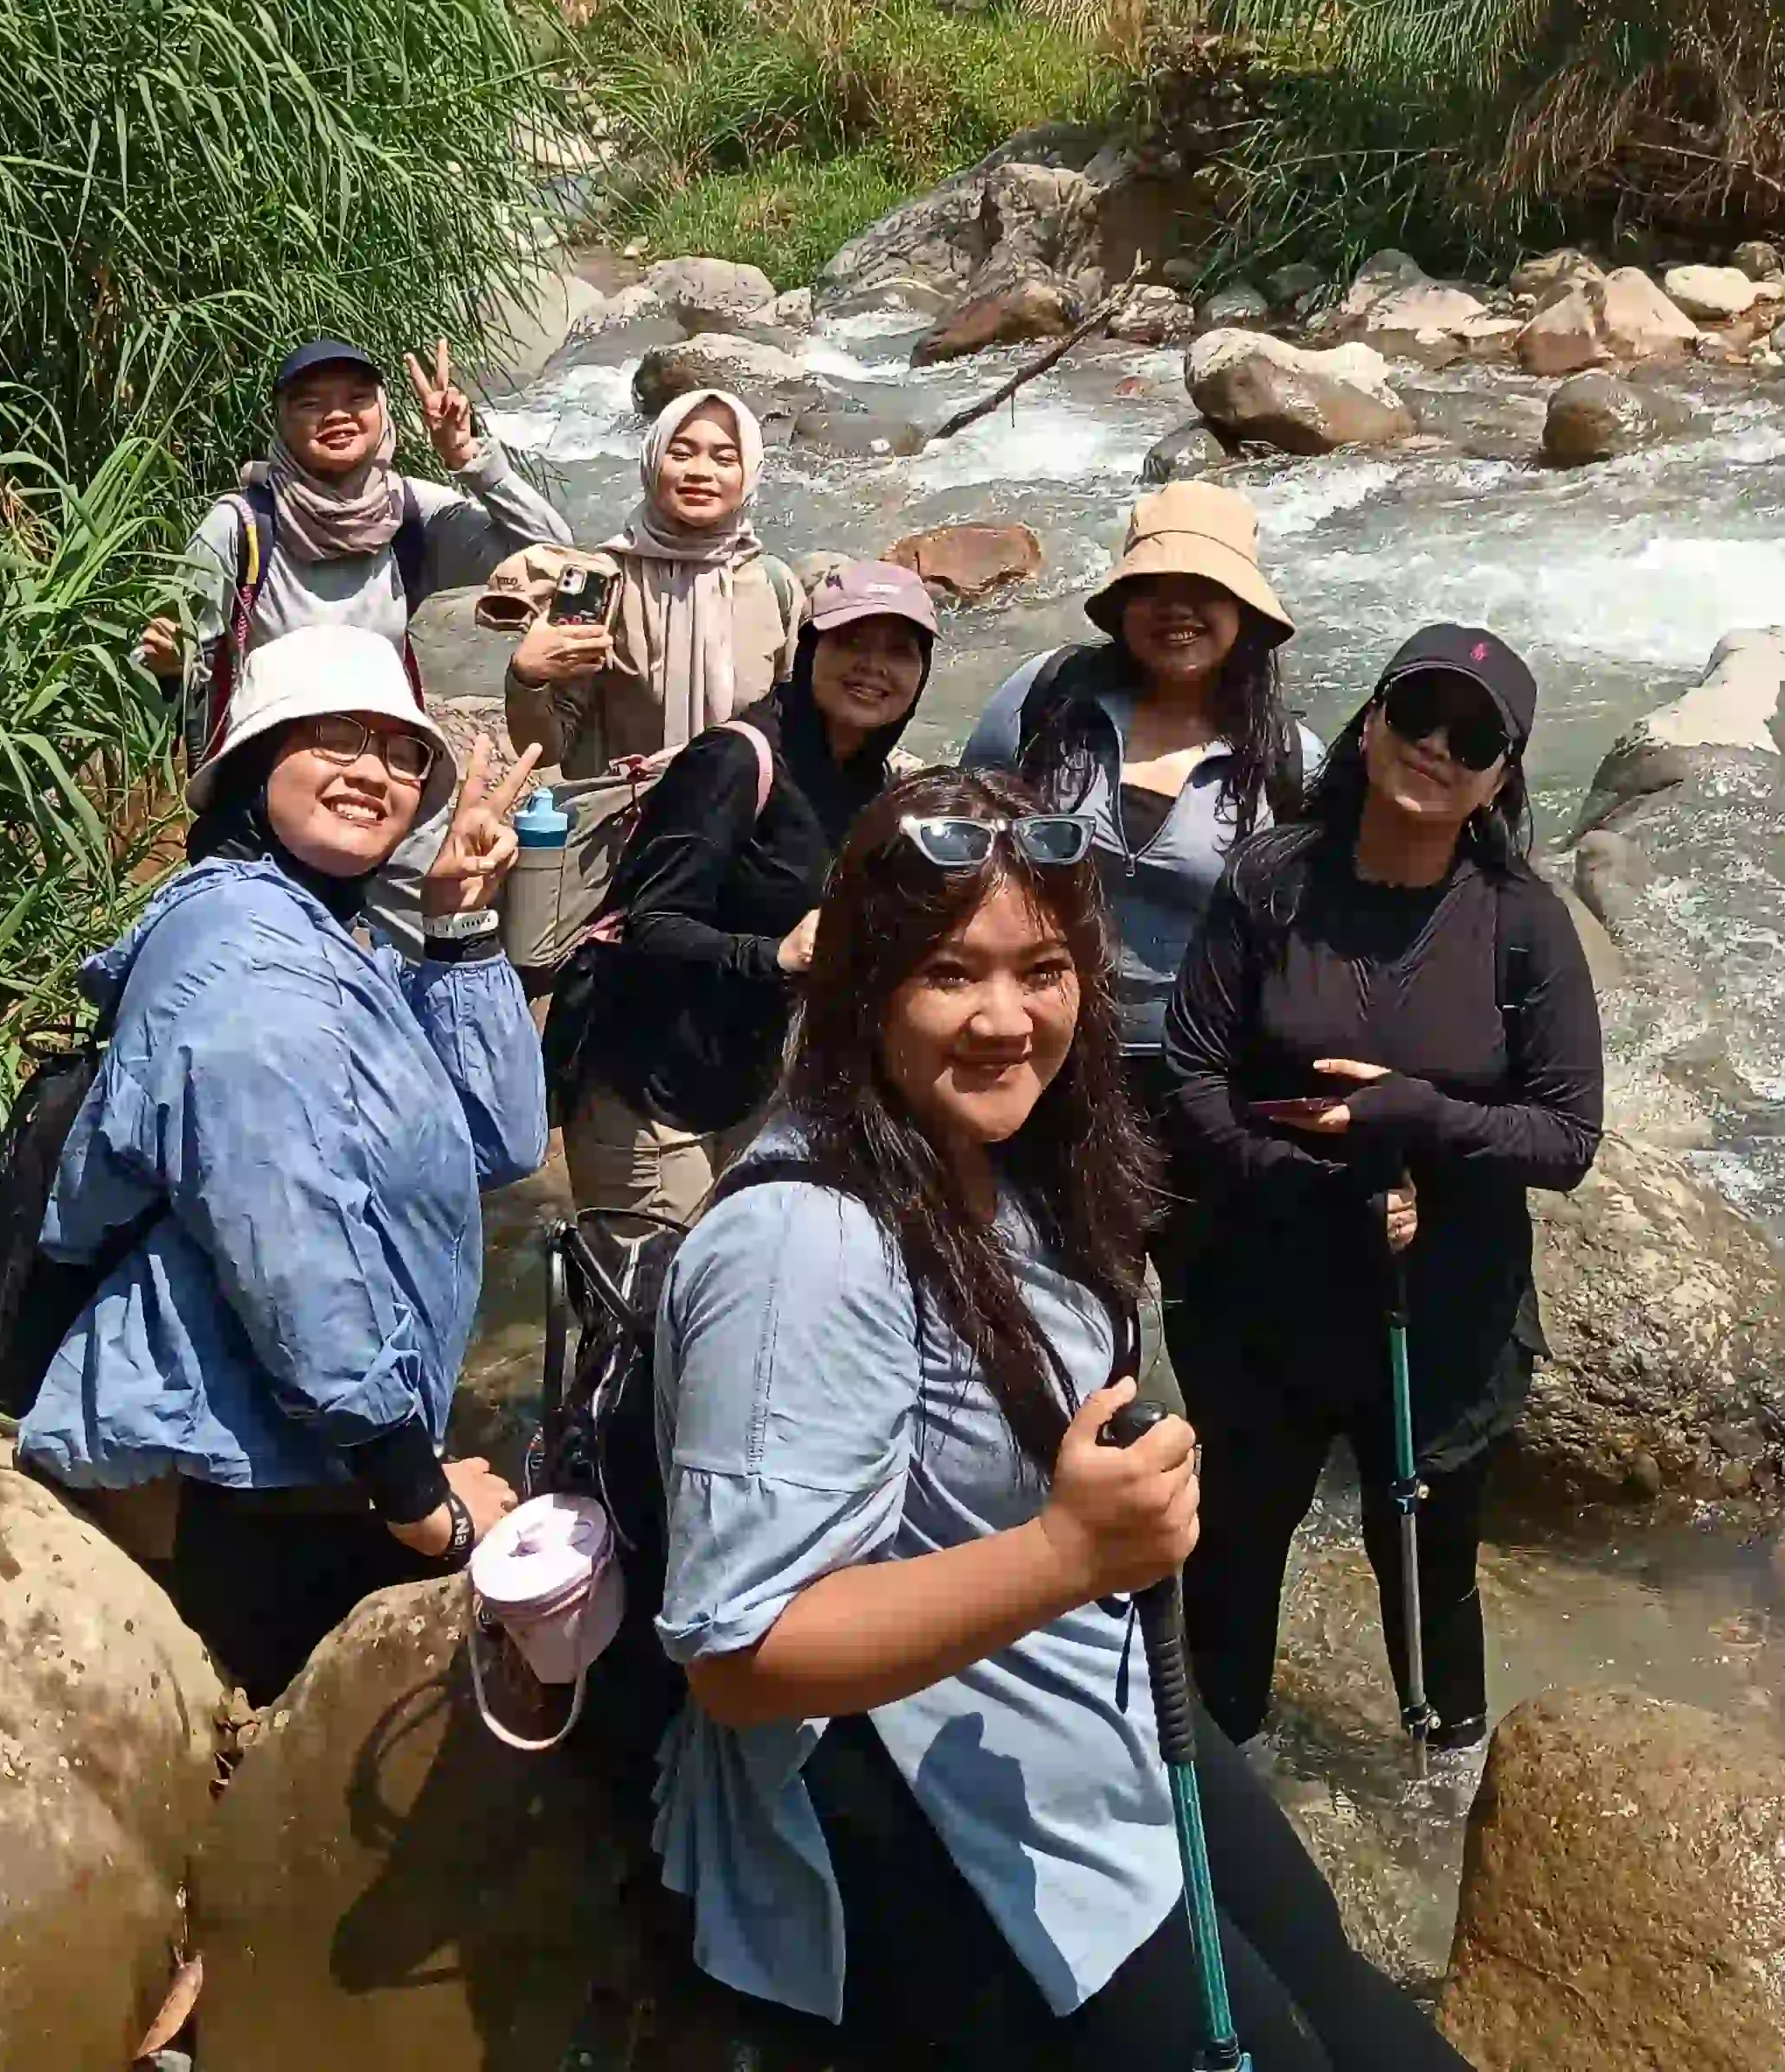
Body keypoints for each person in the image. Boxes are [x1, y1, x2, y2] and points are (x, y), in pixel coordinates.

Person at [653, 769, 1468, 2071]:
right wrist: (1067, 1556)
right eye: (949, 974)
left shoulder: (1020, 1159)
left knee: (1352, 2008)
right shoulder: (805, 1246)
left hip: (1085, 1688)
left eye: (1041, 970)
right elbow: (742, 1655)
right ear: (864, 988)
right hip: (914, 1785)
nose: (1004, 1019)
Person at [16, 625, 550, 1702]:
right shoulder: (248, 962)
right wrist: (418, 1498)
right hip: (224, 1477)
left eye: (401, 753)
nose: (374, 773)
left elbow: (497, 1141)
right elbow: (293, 1253)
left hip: (294, 1448)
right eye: (334, 737)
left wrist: (458, 928)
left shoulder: (328, 935)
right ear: (255, 764)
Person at [1160, 625, 1602, 1782]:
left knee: (1427, 1546)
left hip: (1443, 1305)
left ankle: (1443, 1783)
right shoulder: (1271, 881)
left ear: (1503, 777)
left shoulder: (1523, 923)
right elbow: (1191, 1079)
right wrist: (1313, 1179)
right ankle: (1225, 1772)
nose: (1438, 748)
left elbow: (1567, 1139)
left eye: (1475, 737)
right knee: (1238, 1535)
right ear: (1371, 723)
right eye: (1419, 715)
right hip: (1263, 1286)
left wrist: (1419, 1118)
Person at [140, 334, 571, 944]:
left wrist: (469, 455)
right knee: (265, 956)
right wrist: (169, 671)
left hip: (389, 779)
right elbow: (170, 660)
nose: (337, 414)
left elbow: (549, 554)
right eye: (311, 403)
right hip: (274, 794)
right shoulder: (240, 526)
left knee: (428, 948)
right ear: (281, 421)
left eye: (356, 398)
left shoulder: (407, 513)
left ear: (382, 410)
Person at [553, 558, 937, 1240]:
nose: (873, 667)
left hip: (753, 1085)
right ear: (810, 648)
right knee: (649, 1297)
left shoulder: (873, 785)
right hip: (651, 1094)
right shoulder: (736, 761)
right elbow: (649, 924)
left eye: (899, 651)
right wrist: (775, 955)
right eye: (853, 642)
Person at [962, 482, 1316, 1132]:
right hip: (1033, 1046)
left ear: (1243, 609)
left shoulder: (1288, 759)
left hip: (1205, 1073)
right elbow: (965, 832)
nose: (1176, 608)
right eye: (1153, 586)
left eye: (1203, 587)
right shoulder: (1049, 699)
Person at [502, 388, 799, 789]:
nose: (700, 471)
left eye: (725, 458)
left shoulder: (774, 586)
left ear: (750, 473)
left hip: (741, 816)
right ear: (652, 461)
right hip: (627, 818)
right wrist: (527, 679)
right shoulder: (601, 582)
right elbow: (545, 749)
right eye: (681, 454)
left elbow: (797, 728)